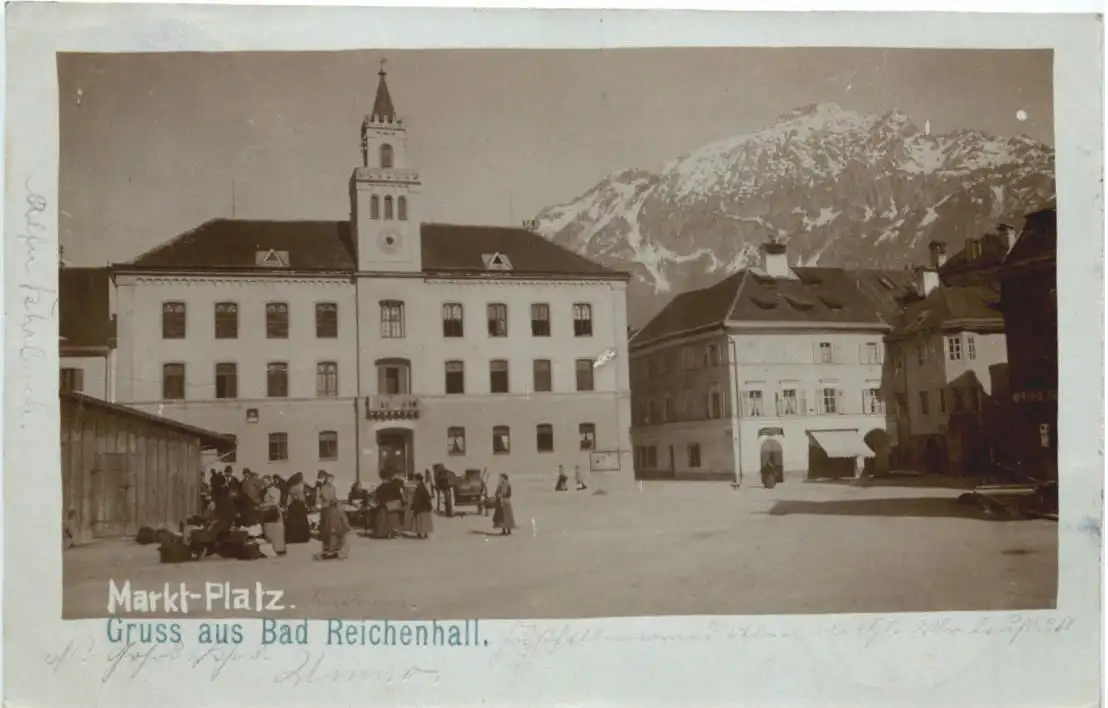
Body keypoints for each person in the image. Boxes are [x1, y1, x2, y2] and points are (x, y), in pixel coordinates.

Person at [316, 471, 350, 560]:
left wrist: (337, 501)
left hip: (332, 509)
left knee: (333, 529)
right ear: (327, 479)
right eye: (329, 479)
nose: (330, 481)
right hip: (326, 509)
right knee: (327, 529)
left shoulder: (333, 488)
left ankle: (333, 549)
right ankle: (327, 549)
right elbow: (325, 498)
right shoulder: (323, 488)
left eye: (332, 479)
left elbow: (333, 497)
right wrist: (331, 501)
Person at [258, 476, 287, 556]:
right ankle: (272, 549)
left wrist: (263, 505)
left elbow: (275, 502)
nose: (265, 483)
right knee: (269, 531)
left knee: (275, 532)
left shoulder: (274, 490)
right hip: (267, 513)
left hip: (273, 512)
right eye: (264, 481)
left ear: (270, 481)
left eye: (266, 481)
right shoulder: (265, 490)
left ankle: (278, 549)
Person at [284, 472, 311, 544]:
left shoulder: (291, 488)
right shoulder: (300, 486)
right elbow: (301, 498)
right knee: (301, 523)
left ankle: (293, 537)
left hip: (292, 508)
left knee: (293, 524)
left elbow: (288, 501)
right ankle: (301, 538)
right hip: (299, 507)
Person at [411, 473, 434, 539]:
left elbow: (418, 498)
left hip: (421, 507)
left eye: (414, 479)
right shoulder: (422, 486)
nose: (414, 481)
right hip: (425, 507)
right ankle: (424, 533)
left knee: (421, 520)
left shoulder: (420, 487)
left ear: (417, 480)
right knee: (424, 520)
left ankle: (421, 533)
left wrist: (414, 505)